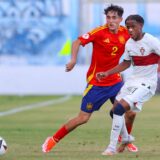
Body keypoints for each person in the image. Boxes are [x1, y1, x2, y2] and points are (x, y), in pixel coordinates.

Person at [42, 4, 137, 153]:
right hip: (97, 84)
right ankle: (53, 139)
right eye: (108, 17)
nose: (110, 20)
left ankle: (125, 140)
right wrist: (73, 60)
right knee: (83, 118)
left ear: (120, 19)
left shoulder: (126, 34)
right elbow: (77, 42)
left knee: (130, 112)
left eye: (114, 17)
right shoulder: (99, 32)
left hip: (116, 82)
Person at [96, 14, 160, 155]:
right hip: (132, 81)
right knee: (113, 112)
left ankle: (111, 148)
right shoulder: (129, 43)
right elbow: (126, 63)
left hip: (147, 84)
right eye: (128, 27)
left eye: (133, 27)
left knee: (119, 109)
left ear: (141, 26)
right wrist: (107, 73)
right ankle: (126, 137)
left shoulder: (152, 41)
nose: (130, 30)